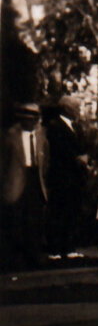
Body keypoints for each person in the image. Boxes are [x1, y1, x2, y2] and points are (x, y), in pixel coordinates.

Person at [2, 102, 48, 270]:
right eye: (26, 119)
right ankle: (16, 258)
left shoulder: (41, 135)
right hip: (16, 181)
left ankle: (34, 256)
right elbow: (4, 162)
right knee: (17, 220)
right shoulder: (10, 136)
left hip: (35, 179)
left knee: (35, 220)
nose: (30, 123)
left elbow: (46, 160)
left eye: (33, 119)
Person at [43, 97, 89, 261]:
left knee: (72, 212)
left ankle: (69, 247)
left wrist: (84, 157)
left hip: (75, 177)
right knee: (59, 212)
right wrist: (76, 158)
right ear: (66, 108)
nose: (78, 110)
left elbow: (83, 146)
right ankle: (54, 249)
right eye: (76, 107)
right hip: (61, 176)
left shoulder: (76, 127)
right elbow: (60, 150)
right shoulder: (55, 126)